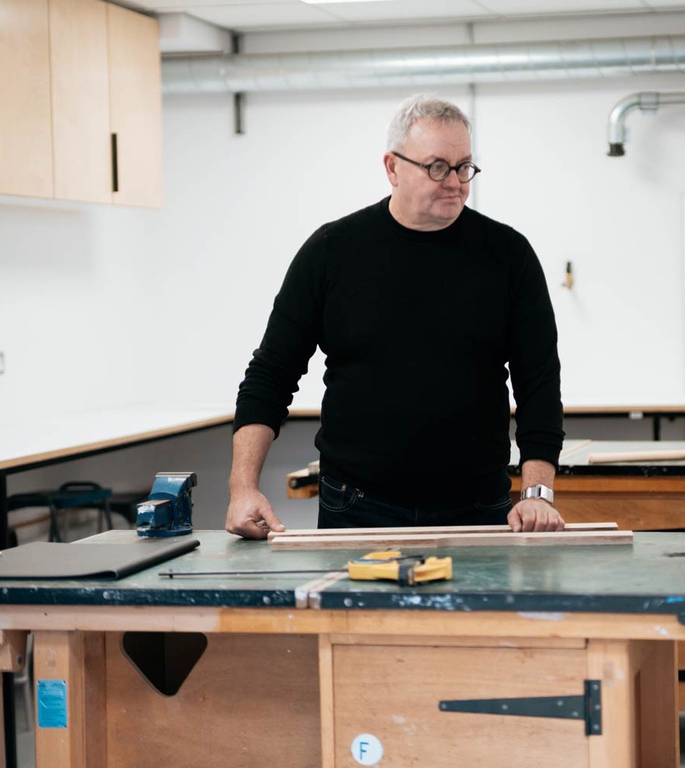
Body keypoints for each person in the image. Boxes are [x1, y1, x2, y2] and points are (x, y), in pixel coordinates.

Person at [225, 94, 565, 539]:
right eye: (438, 167)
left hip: (477, 506)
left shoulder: (508, 255)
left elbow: (538, 385)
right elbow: (270, 375)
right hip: (357, 507)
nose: (456, 182)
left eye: (464, 167)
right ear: (392, 168)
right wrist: (241, 487)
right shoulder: (332, 252)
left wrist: (537, 492)